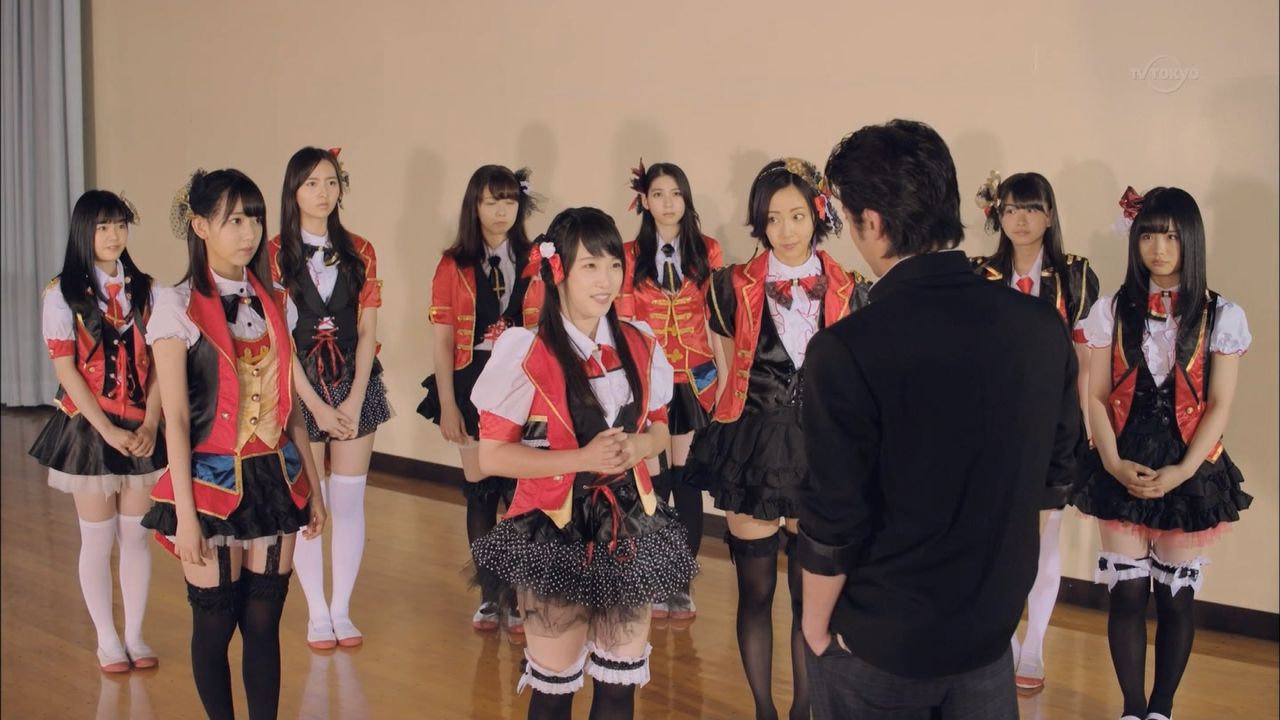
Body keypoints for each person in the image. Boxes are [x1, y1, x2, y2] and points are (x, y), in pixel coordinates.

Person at [798, 119, 1082, 720]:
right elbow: (1054, 479)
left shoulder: (846, 349)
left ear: (871, 222)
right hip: (990, 634)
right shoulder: (1039, 327)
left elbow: (833, 518)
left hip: (879, 643)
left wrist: (814, 627)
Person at [469, 207, 698, 720]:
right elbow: (491, 456)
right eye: (590, 266)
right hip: (552, 527)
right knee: (554, 689)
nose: (606, 280)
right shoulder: (527, 351)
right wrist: (582, 458)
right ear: (559, 272)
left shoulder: (639, 342)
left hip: (629, 523)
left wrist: (641, 447)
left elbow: (660, 427)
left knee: (619, 684)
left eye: (613, 264)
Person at [685, 157, 870, 720]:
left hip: (822, 452)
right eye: (772, 218)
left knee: (808, 597)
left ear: (818, 214)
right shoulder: (729, 286)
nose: (786, 230)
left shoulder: (852, 289)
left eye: (796, 216)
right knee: (756, 589)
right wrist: (719, 410)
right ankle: (765, 710)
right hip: (754, 449)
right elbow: (714, 364)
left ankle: (802, 710)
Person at [141, 169, 326, 720]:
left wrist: (314, 491)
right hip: (208, 482)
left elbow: (290, 410)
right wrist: (186, 517)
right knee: (215, 623)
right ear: (200, 226)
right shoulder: (175, 306)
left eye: (255, 219)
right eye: (235, 220)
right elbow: (176, 418)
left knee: (264, 624)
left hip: (276, 478)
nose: (249, 233)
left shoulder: (277, 301)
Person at [1071, 186, 1251, 720]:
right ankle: (1131, 708)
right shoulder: (1109, 310)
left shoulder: (1222, 314)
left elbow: (1219, 405)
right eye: (1149, 235)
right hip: (1121, 455)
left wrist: (1182, 472)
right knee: (1127, 594)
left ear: (1191, 240)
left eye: (1172, 236)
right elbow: (1095, 396)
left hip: (1190, 463)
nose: (1159, 248)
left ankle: (1161, 709)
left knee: (1175, 598)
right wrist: (1110, 462)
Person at [971, 170, 1100, 689]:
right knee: (995, 536)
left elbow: (1086, 358)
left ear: (1049, 214)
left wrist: (1084, 423)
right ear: (998, 216)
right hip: (992, 424)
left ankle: (1035, 647)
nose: (1020, 219)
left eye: (1030, 208)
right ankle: (1003, 642)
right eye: (1010, 209)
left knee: (1046, 537)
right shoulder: (980, 274)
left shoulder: (1075, 275)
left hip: (1053, 421)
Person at [29, 190, 165, 673]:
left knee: (136, 537)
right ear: (83, 231)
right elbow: (66, 370)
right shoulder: (61, 293)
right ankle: (107, 640)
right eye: (103, 226)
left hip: (141, 428)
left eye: (120, 225)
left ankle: (136, 635)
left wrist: (151, 421)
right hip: (90, 430)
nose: (113, 235)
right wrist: (106, 429)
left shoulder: (146, 289)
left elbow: (160, 364)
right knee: (98, 539)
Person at [268, 147, 389, 650]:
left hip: (353, 382)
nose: (324, 193)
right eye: (312, 183)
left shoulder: (361, 249)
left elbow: (367, 330)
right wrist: (316, 406)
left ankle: (342, 608)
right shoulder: (274, 252)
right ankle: (317, 612)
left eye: (331, 182)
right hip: (300, 387)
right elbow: (278, 337)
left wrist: (355, 399)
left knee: (349, 499)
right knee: (309, 498)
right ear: (294, 191)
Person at [420, 164, 543, 633]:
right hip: (470, 385)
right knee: (481, 492)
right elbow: (442, 340)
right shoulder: (453, 264)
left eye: (509, 201)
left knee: (519, 492)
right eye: (492, 201)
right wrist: (448, 404)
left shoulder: (536, 260)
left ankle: (520, 593)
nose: (501, 211)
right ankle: (492, 595)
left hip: (522, 386)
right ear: (474, 205)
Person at [615, 159, 726, 621]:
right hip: (649, 381)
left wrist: (726, 380)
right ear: (644, 200)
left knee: (686, 481)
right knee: (653, 483)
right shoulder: (627, 255)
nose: (668, 203)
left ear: (686, 199)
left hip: (696, 380)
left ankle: (679, 581)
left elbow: (717, 321)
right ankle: (653, 574)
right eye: (658, 194)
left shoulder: (708, 250)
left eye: (676, 194)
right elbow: (623, 322)